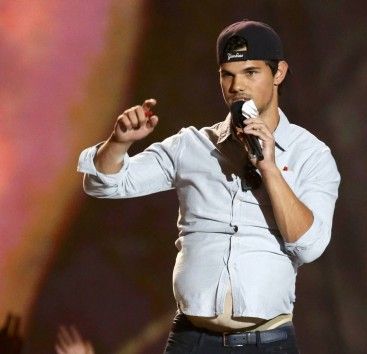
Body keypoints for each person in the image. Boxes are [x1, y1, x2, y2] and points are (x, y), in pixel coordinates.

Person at [78, 20, 340, 353]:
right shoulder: (192, 145)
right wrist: (117, 143)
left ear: (279, 73)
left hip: (268, 342)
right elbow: (105, 185)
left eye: (250, 72)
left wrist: (269, 168)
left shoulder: (310, 154)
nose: (236, 86)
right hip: (193, 340)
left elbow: (309, 246)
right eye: (227, 74)